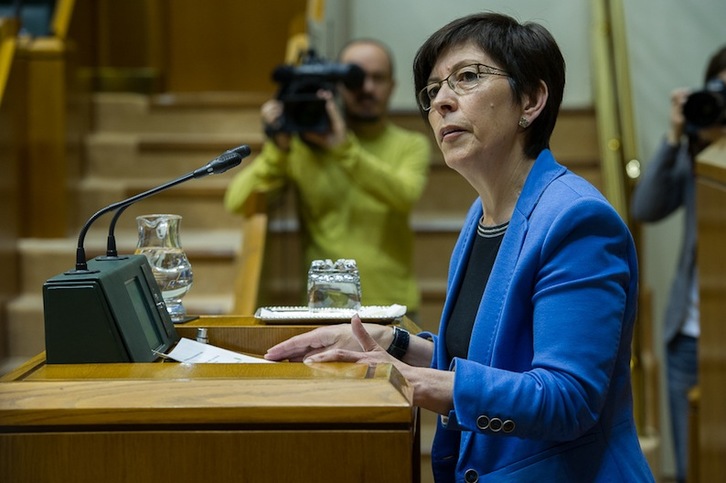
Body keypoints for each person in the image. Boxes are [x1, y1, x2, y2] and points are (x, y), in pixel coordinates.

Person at [264, 12, 654, 482]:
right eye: (432, 91)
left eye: (466, 78)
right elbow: (492, 357)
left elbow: (567, 398)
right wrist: (394, 342)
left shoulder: (576, 221)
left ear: (530, 100)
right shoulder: (483, 214)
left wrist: (409, 380)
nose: (442, 102)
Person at [224, 39, 431, 316]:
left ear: (392, 86)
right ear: (337, 86)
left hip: (392, 306)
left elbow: (405, 195)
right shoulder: (302, 148)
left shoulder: (411, 144)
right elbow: (236, 201)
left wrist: (343, 149)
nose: (367, 88)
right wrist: (278, 148)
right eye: (357, 78)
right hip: (324, 306)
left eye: (377, 78)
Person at [630, 44, 726, 483]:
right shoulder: (699, 158)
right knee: (694, 466)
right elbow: (647, 207)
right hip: (687, 336)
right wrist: (676, 135)